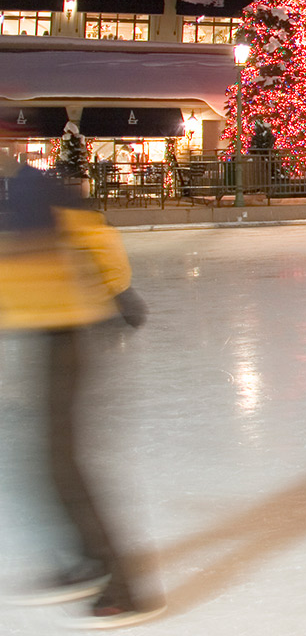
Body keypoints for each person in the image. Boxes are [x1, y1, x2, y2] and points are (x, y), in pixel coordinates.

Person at [0, 145, 161, 628]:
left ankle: (126, 586)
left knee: (61, 462)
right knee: (42, 460)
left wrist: (117, 291)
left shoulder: (29, 185)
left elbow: (94, 233)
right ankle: (90, 560)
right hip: (38, 328)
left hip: (68, 329)